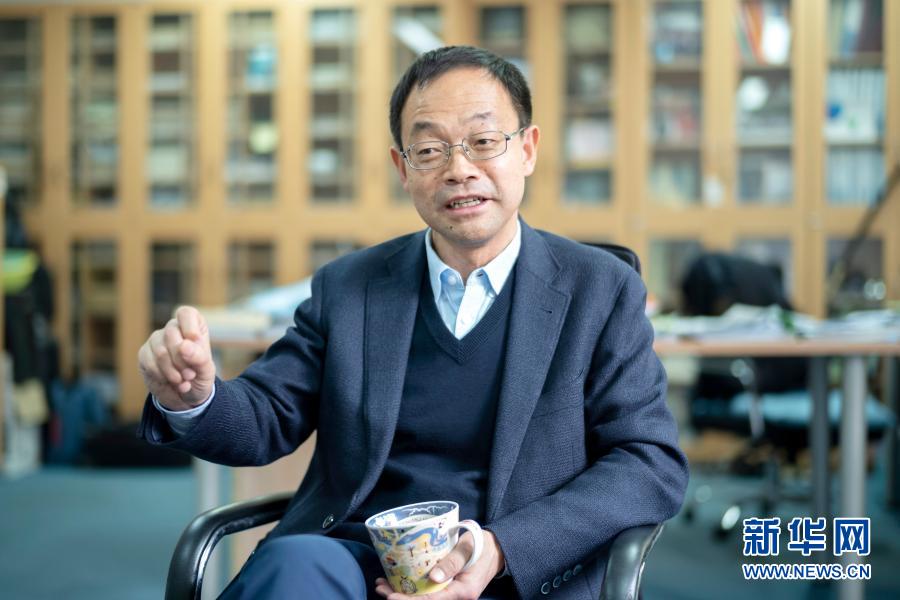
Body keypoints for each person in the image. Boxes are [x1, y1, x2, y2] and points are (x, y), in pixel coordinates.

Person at [138, 46, 688, 600]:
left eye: (483, 141)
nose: (459, 169)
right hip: (354, 563)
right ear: (403, 168)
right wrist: (194, 398)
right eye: (429, 150)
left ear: (527, 149)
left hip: (512, 573)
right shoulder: (350, 288)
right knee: (292, 567)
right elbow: (268, 414)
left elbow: (649, 463)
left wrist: (502, 549)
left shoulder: (601, 291)